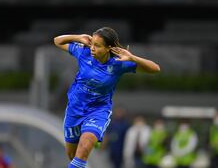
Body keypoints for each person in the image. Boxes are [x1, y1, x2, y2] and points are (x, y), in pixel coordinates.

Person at [54, 27, 160, 168]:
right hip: (75, 109)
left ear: (108, 48)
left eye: (97, 46)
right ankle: (91, 140)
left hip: (97, 111)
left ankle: (92, 135)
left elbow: (155, 68)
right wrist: (79, 37)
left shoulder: (119, 63)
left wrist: (132, 57)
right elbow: (57, 41)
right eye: (92, 43)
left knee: (83, 149)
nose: (92, 48)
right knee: (73, 157)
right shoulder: (84, 52)